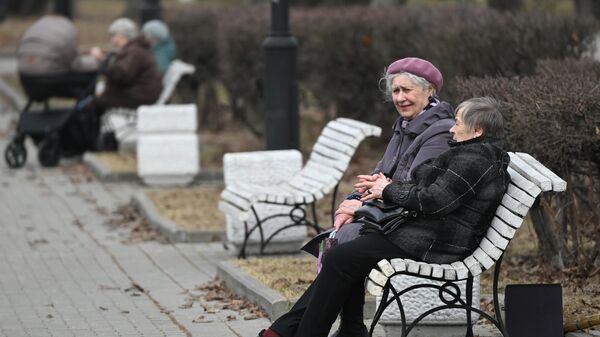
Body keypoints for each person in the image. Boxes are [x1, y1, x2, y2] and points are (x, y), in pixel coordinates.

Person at [258, 97, 511, 337]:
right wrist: (386, 184)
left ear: (477, 130)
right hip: (427, 234)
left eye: (458, 123)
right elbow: (431, 193)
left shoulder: (475, 160)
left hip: (433, 243)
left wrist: (387, 190)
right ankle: (326, 331)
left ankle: (295, 331)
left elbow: (434, 201)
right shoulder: (474, 154)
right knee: (345, 257)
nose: (452, 130)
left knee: (339, 258)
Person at [302, 57, 455, 335]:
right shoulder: (405, 125)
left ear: (430, 90)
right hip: (392, 218)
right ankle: (348, 327)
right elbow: (380, 175)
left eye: (407, 90)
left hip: (415, 230)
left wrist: (364, 202)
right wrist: (353, 203)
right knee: (338, 237)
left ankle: (328, 328)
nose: (400, 98)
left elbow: (413, 185)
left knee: (341, 249)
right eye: (396, 91)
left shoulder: (440, 131)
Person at [17, 14, 99, 99]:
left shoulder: (37, 28)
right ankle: (88, 104)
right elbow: (76, 64)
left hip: (26, 78)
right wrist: (94, 61)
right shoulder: (65, 30)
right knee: (90, 74)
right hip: (53, 80)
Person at [90, 17, 162, 111]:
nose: (113, 41)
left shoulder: (134, 51)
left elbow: (121, 75)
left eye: (114, 36)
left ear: (122, 36)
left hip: (141, 96)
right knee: (96, 100)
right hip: (142, 93)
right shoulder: (135, 48)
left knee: (93, 103)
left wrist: (102, 60)